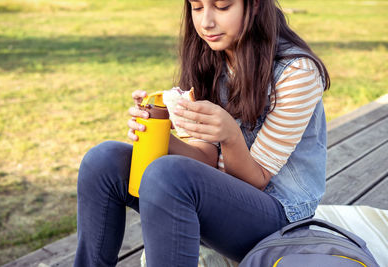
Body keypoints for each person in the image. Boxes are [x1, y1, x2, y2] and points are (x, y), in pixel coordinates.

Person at [74, 0, 330, 266]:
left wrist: (230, 135)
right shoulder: (210, 57)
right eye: (197, 7)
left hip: (278, 219)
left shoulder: (297, 73)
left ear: (254, 6)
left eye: (222, 7)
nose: (206, 22)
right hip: (215, 205)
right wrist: (159, 129)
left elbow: (258, 180)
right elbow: (204, 157)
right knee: (103, 159)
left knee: (168, 173)